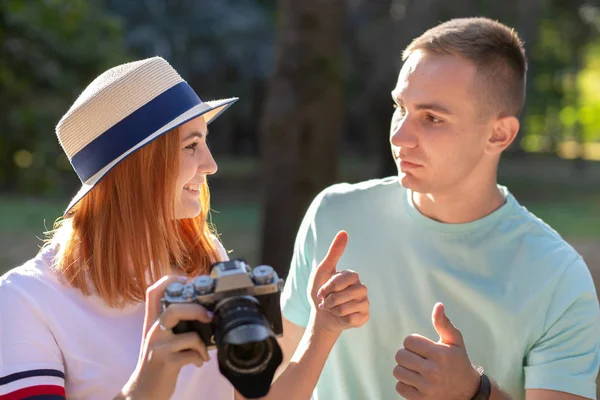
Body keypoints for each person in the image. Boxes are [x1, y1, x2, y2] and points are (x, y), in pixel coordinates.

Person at [0, 56, 370, 400]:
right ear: (138, 167)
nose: (211, 165)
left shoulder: (203, 259)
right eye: (191, 145)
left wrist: (323, 330)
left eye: (204, 142)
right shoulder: (25, 301)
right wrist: (147, 381)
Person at [279, 17, 600, 400]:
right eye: (401, 108)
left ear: (499, 134)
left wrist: (473, 392)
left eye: (432, 118)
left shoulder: (558, 277)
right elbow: (274, 380)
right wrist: (320, 329)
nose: (399, 136)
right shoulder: (333, 217)